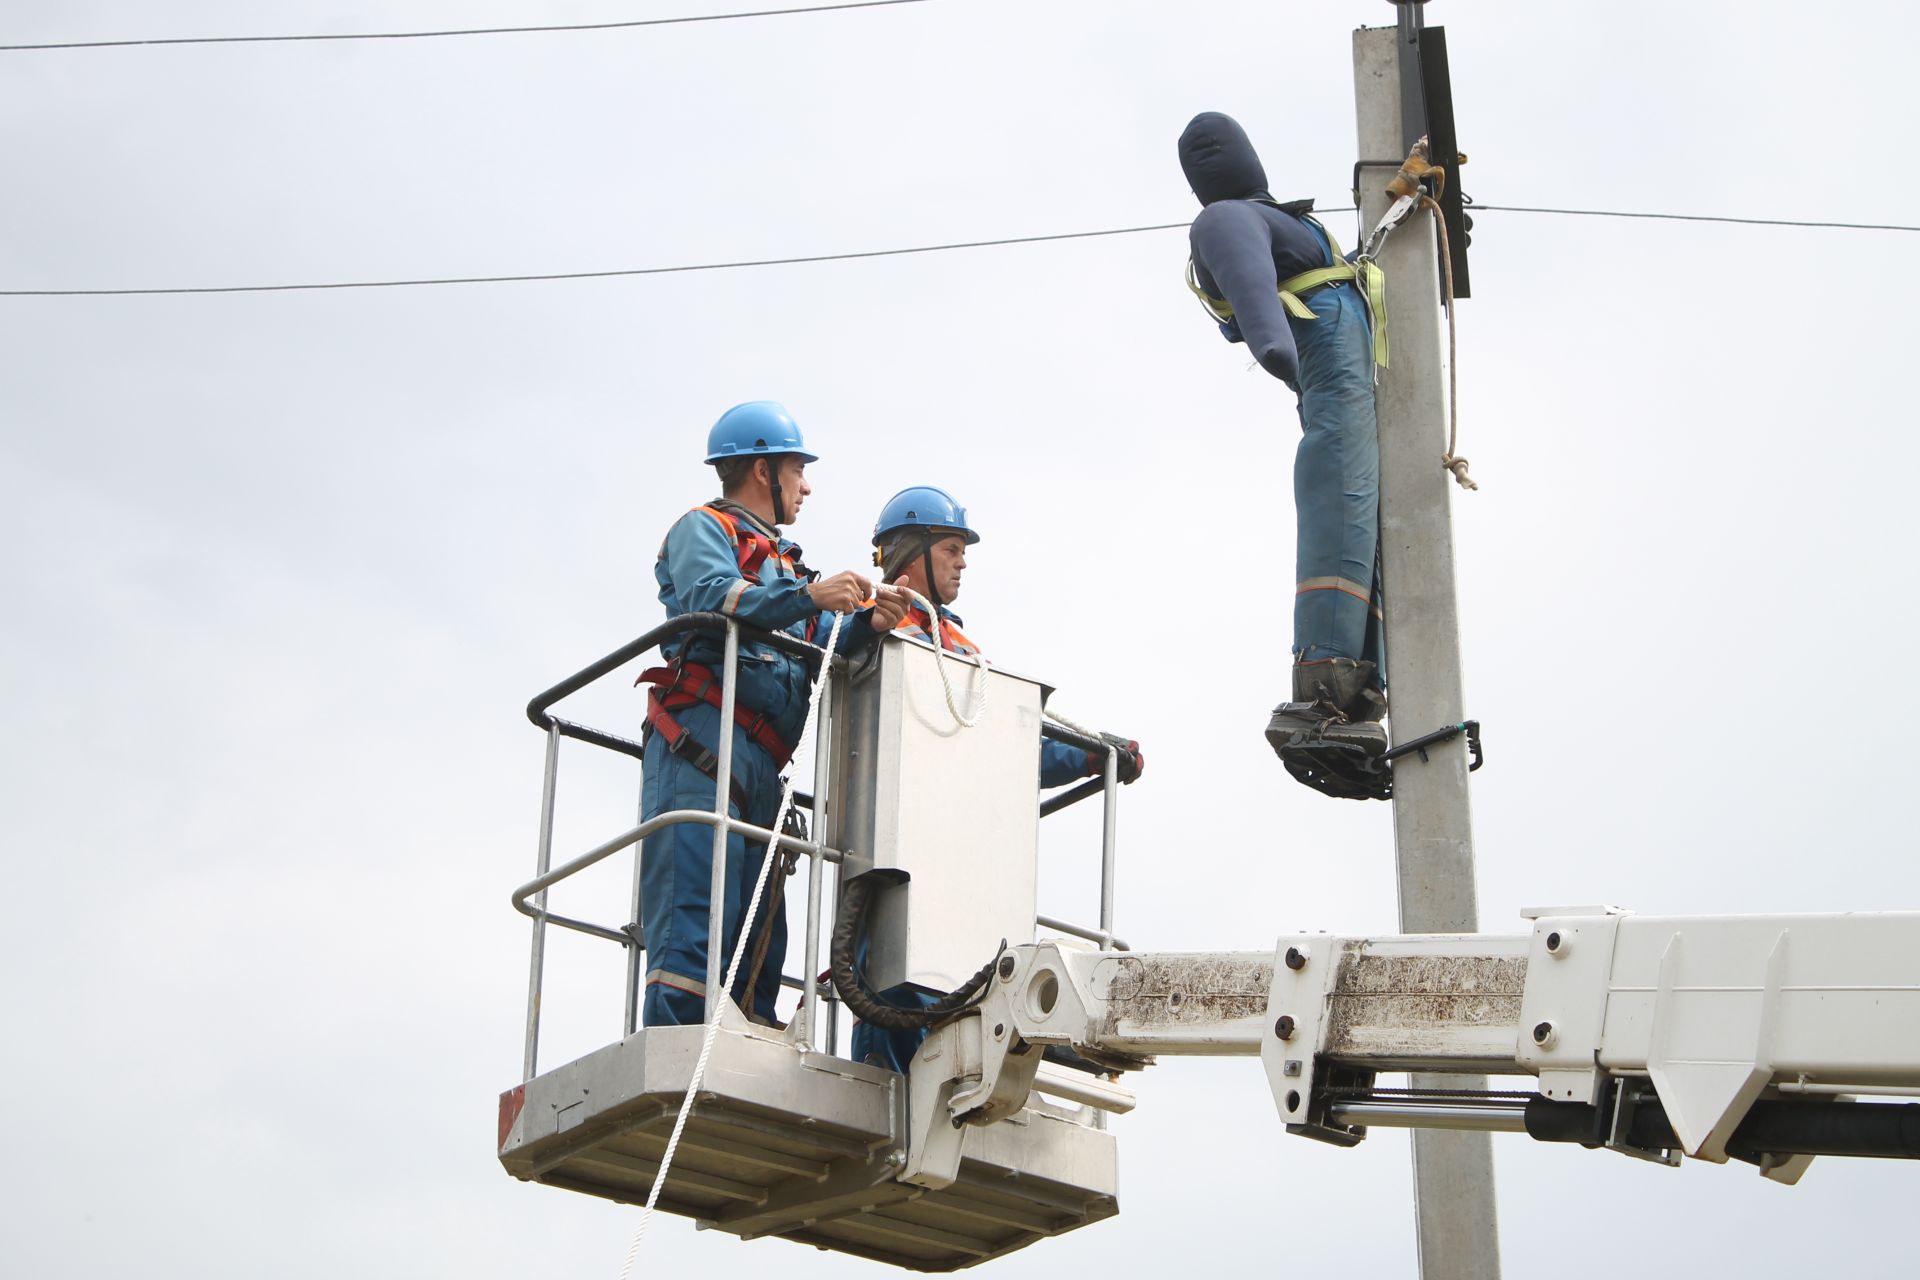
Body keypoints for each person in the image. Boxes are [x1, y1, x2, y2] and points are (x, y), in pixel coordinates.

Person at [849, 485, 1144, 1072]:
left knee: (958, 995)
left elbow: (1001, 749)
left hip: (956, 863)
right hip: (892, 855)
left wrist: (1090, 755)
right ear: (912, 548)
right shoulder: (867, 628)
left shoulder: (963, 650)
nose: (963, 562)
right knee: (892, 1000)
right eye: (952, 548)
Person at [638, 401, 909, 1028]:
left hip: (760, 764)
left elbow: (816, 635)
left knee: (758, 930)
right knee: (695, 910)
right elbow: (715, 595)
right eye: (797, 469)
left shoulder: (783, 563)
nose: (806, 485)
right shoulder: (703, 529)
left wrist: (869, 619)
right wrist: (808, 595)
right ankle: (680, 1041)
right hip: (700, 746)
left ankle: (751, 1028)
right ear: (763, 470)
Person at [1177, 112, 1390, 785]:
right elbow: (1255, 302)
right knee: (1342, 511)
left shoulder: (1285, 221)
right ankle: (1322, 691)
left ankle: (1362, 684)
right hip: (1329, 375)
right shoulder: (1226, 219)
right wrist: (1280, 351)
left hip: (1346, 382)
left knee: (1372, 524)